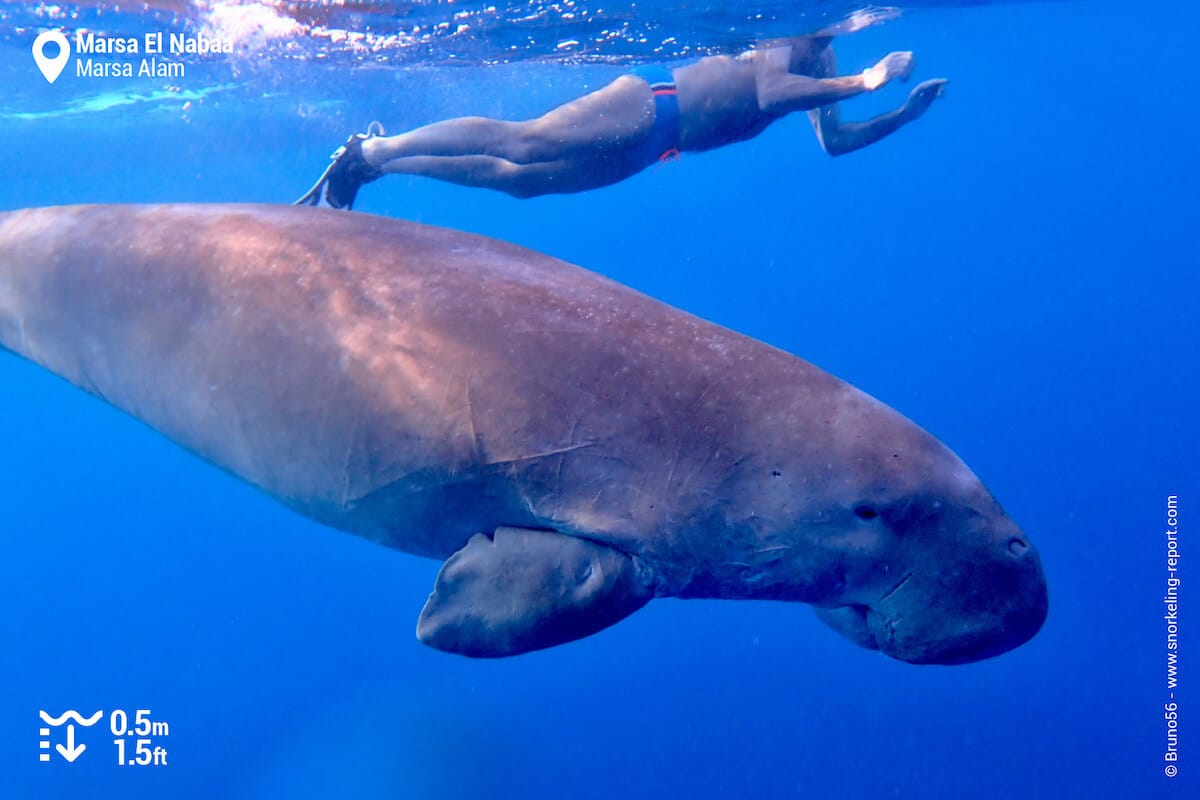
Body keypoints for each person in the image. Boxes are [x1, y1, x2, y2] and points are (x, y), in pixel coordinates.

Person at [295, 11, 947, 208]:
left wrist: (900, 117)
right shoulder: (795, 30)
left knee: (521, 185)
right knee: (524, 144)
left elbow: (832, 143)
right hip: (650, 100)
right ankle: (375, 148)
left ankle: (375, 167)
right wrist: (866, 81)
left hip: (657, 146)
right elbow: (770, 93)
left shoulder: (826, 62)